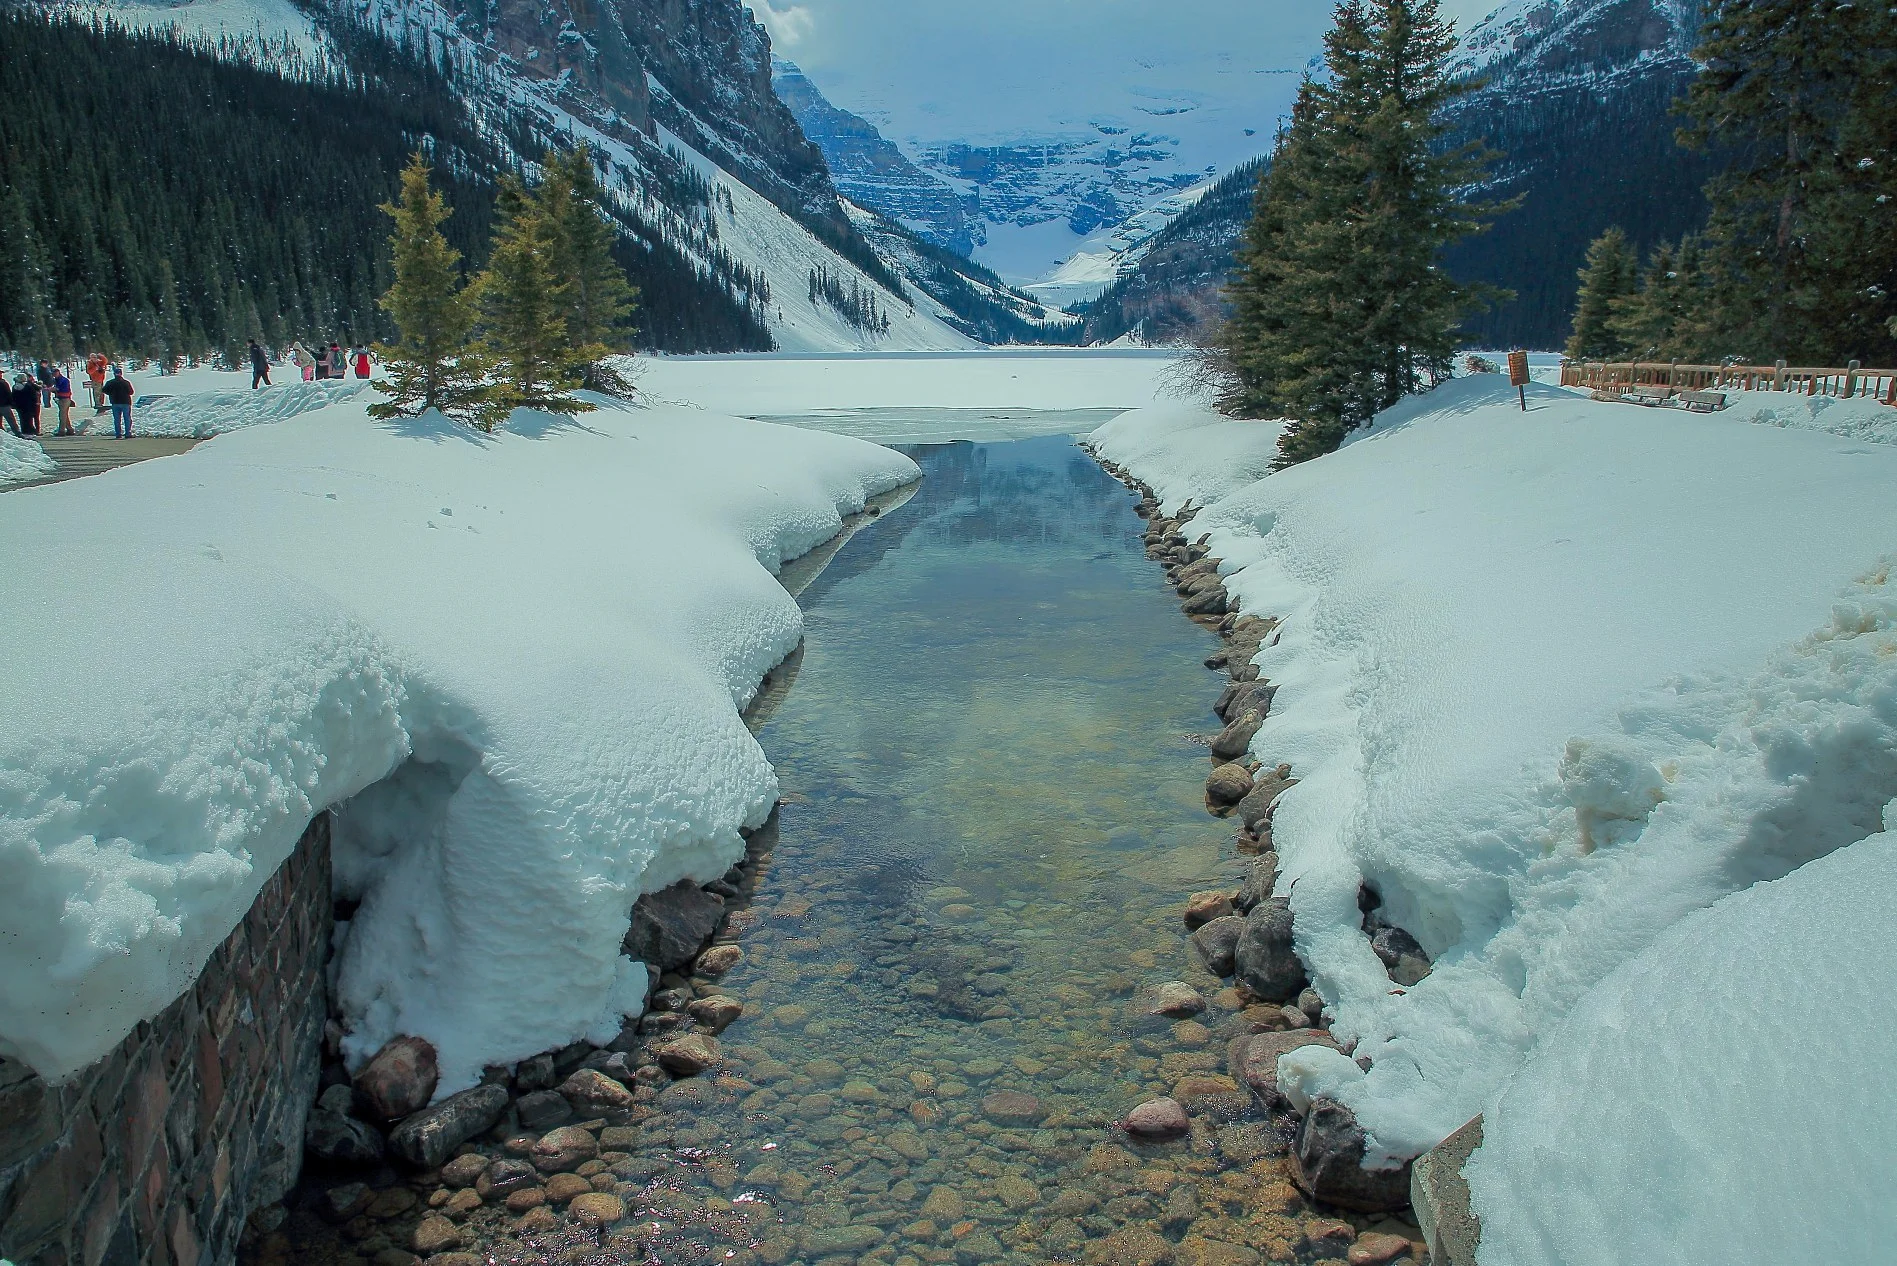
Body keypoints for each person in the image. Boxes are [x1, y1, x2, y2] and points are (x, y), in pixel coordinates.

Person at [103, 365, 135, 438]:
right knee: (127, 418)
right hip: (125, 402)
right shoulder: (126, 382)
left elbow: (104, 390)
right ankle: (128, 433)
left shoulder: (110, 382)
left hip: (115, 402)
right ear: (121, 374)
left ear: (114, 374)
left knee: (117, 419)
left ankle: (118, 434)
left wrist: (111, 393)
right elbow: (131, 392)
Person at [51, 367, 76, 435]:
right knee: (64, 415)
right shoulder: (56, 380)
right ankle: (70, 429)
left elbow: (64, 389)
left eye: (56, 373)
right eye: (53, 373)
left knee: (62, 415)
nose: (54, 375)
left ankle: (61, 431)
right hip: (61, 398)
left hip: (64, 399)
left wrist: (55, 389)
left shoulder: (63, 380)